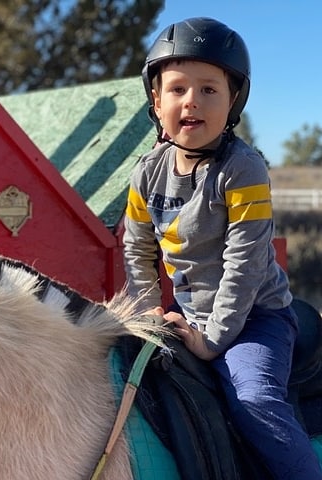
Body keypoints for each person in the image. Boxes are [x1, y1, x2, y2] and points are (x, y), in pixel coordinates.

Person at [123, 17, 322, 479]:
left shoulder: (243, 169)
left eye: (209, 90)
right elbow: (137, 248)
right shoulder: (146, 173)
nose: (191, 100)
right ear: (156, 101)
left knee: (254, 399)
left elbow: (245, 262)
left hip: (255, 317)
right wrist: (147, 312)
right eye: (177, 89)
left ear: (232, 101)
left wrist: (213, 340)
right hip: (188, 314)